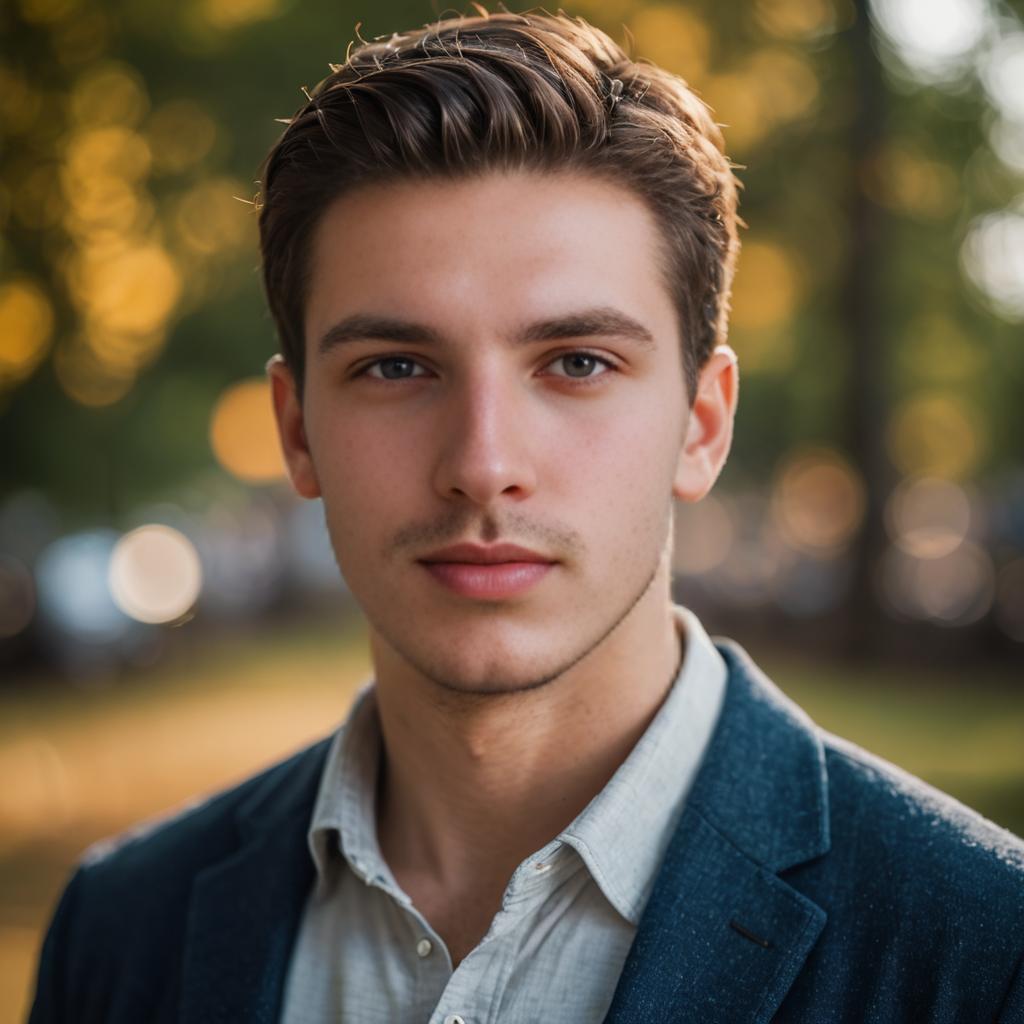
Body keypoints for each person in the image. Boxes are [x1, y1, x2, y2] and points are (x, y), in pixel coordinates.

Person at [28, 7, 1024, 1023]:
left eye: (577, 363)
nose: (482, 464)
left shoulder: (986, 953)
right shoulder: (118, 933)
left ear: (702, 423)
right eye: (397, 367)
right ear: (297, 431)